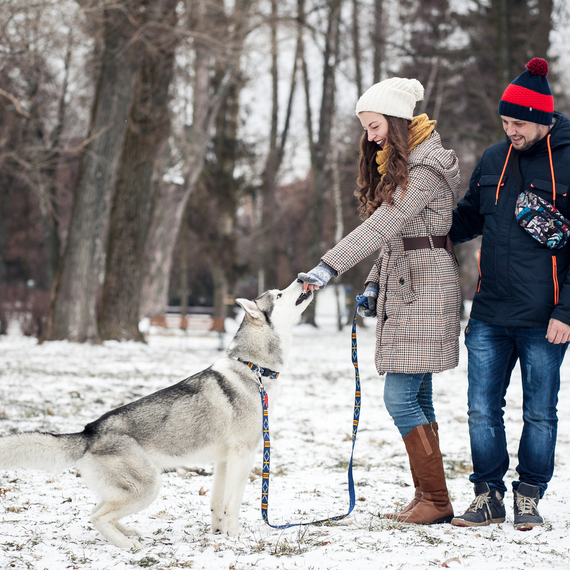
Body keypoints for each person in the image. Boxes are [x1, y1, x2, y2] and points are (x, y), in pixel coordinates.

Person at [298, 77, 462, 525]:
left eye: (374, 127)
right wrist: (373, 284)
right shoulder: (409, 165)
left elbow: (382, 228)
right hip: (408, 283)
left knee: (400, 398)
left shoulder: (427, 169)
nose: (369, 137)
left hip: (425, 290)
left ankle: (436, 499)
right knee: (418, 397)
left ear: (395, 120)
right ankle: (430, 495)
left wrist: (329, 267)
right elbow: (398, 240)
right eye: (366, 128)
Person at [449, 57, 570, 530]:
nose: (510, 130)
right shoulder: (493, 158)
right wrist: (421, 223)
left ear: (542, 118)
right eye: (505, 122)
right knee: (481, 407)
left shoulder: (568, 161)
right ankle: (488, 495)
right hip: (490, 313)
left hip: (546, 317)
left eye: (518, 122)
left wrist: (566, 311)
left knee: (539, 412)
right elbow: (468, 218)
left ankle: (529, 495)